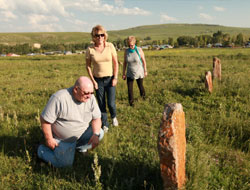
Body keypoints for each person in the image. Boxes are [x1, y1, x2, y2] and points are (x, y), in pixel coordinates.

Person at [37, 76, 104, 167]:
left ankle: (79, 148)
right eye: (86, 93)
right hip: (62, 139)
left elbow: (97, 118)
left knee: (100, 132)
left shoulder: (90, 98)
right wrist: (49, 139)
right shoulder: (59, 98)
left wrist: (95, 134)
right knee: (65, 164)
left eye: (92, 93)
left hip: (81, 134)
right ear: (76, 89)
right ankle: (41, 150)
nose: (89, 96)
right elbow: (45, 120)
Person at [86, 25, 119, 133]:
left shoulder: (110, 46)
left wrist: (115, 77)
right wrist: (93, 81)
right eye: (97, 35)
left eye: (102, 35)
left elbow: (115, 63)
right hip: (98, 80)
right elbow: (88, 66)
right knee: (101, 104)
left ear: (105, 36)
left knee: (111, 103)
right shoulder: (90, 49)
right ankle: (105, 124)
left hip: (110, 79)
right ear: (94, 37)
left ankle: (114, 117)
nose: (100, 37)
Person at [122, 36, 147, 106]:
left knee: (140, 86)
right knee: (129, 89)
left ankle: (144, 99)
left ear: (134, 43)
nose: (131, 46)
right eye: (129, 45)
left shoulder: (139, 50)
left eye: (132, 45)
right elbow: (124, 63)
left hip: (139, 72)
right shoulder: (126, 51)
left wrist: (145, 71)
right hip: (130, 73)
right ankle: (131, 103)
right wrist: (123, 73)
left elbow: (144, 61)